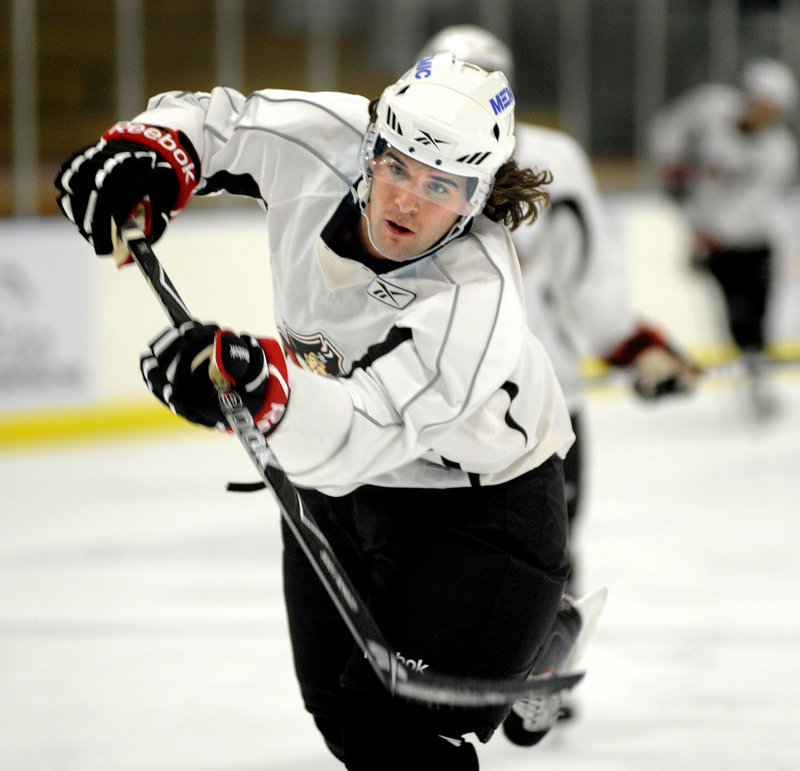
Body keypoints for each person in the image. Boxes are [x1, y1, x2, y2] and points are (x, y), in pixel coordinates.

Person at [56, 53, 583, 770]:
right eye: (396, 166)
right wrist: (148, 151)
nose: (406, 201)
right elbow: (222, 124)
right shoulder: (325, 139)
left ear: (477, 196)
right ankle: (530, 636)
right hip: (337, 480)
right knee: (339, 711)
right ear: (370, 146)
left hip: (479, 508)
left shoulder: (474, 297)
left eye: (441, 185)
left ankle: (525, 620)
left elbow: (366, 429)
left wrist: (261, 386)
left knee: (391, 728)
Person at [418, 25, 700, 747]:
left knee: (544, 547)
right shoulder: (399, 159)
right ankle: (445, 666)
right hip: (427, 400)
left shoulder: (555, 160)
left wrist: (635, 347)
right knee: (429, 545)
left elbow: (593, 282)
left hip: (541, 400)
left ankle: (539, 671)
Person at [648, 57, 799, 418]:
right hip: (713, 242)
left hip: (750, 240)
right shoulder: (709, 108)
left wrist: (709, 229)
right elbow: (669, 128)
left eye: (771, 107)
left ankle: (756, 378)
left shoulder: (779, 152)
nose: (761, 112)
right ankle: (750, 372)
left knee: (757, 314)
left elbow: (750, 205)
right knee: (734, 313)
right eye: (759, 102)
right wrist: (670, 164)